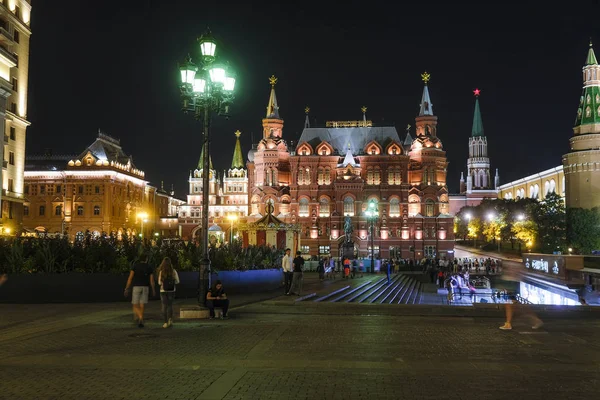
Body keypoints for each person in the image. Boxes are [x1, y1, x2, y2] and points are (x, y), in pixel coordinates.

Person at [124, 254, 156, 328]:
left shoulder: (135, 266)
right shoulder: (149, 267)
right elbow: (152, 281)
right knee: (142, 304)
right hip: (145, 287)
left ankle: (140, 317)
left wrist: (127, 288)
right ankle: (140, 318)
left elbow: (130, 278)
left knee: (135, 304)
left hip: (136, 287)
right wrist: (153, 289)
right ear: (146, 259)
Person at [157, 257, 180, 328]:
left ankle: (165, 322)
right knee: (170, 305)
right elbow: (177, 281)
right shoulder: (173, 271)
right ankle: (170, 319)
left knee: (164, 306)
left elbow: (159, 282)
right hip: (171, 290)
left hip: (163, 290)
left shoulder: (161, 272)